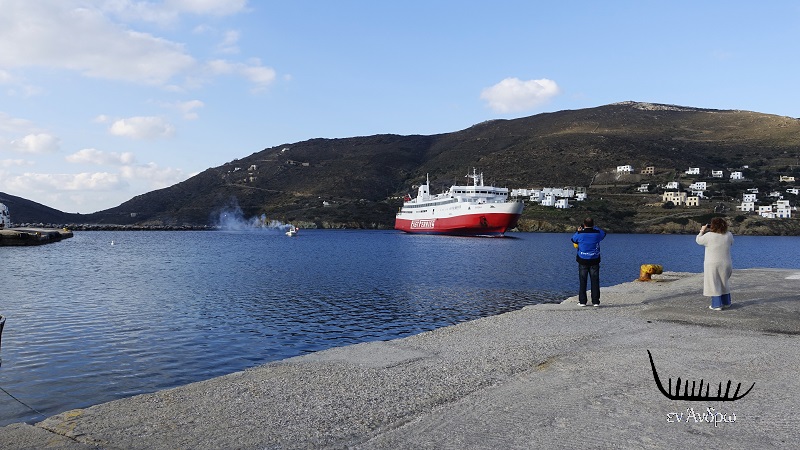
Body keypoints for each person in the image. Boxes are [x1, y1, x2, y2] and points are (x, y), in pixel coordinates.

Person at [696, 217, 734, 310]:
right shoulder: (729, 235)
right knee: (724, 282)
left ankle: (716, 305)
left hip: (712, 263)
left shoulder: (709, 235)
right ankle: (726, 302)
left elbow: (698, 240)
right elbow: (731, 243)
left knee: (714, 282)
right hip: (726, 263)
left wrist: (702, 230)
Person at [571, 217, 607, 307]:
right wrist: (595, 227)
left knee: (583, 281)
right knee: (595, 281)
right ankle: (595, 301)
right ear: (593, 224)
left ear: (584, 224)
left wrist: (579, 231)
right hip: (594, 259)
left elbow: (573, 239)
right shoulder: (597, 233)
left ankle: (582, 301)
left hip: (583, 259)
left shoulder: (580, 234)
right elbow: (604, 233)